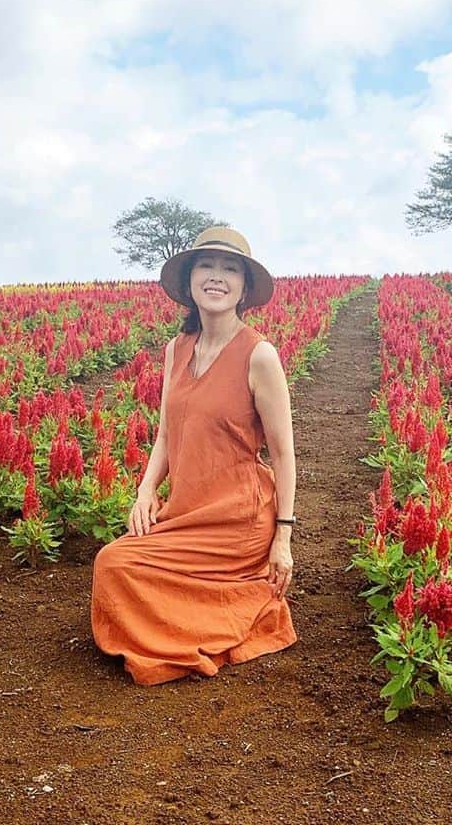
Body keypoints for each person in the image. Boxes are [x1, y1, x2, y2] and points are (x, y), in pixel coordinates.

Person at [90, 226, 298, 685]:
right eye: (207, 266)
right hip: (187, 508)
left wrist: (282, 538)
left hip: (237, 518)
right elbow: (167, 432)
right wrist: (146, 491)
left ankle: (247, 606)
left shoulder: (260, 355)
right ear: (189, 282)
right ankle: (199, 616)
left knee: (120, 567)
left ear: (244, 287)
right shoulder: (177, 349)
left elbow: (284, 454)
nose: (217, 277)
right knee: (113, 564)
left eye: (230, 269)